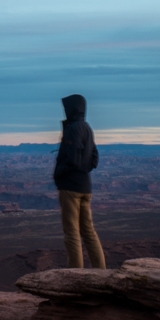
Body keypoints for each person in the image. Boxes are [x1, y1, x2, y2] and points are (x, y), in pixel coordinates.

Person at [54, 93, 105, 268]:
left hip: (70, 187)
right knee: (89, 231)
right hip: (85, 186)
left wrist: (59, 174)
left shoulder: (73, 129)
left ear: (72, 109)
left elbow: (72, 158)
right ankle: (101, 271)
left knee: (72, 232)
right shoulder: (87, 128)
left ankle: (76, 274)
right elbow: (94, 158)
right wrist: (83, 171)